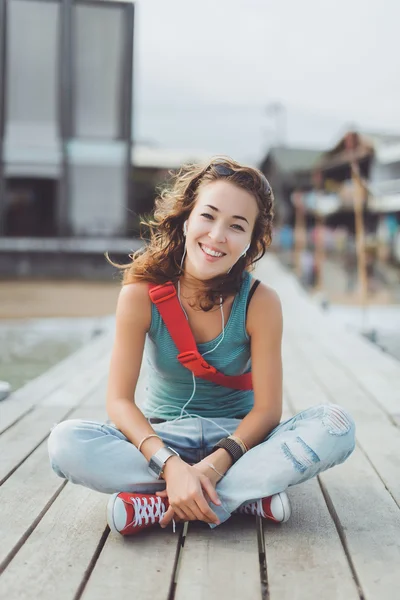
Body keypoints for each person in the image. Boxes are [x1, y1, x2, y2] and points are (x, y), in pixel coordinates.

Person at [48, 158, 356, 536]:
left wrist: (214, 464)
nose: (216, 236)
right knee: (65, 442)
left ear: (251, 242)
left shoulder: (261, 302)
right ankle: (243, 497)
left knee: (336, 426)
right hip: (163, 438)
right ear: (186, 218)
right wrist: (170, 465)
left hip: (240, 443)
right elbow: (120, 402)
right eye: (208, 216)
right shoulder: (140, 294)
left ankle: (168, 503)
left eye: (236, 226)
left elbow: (267, 410)